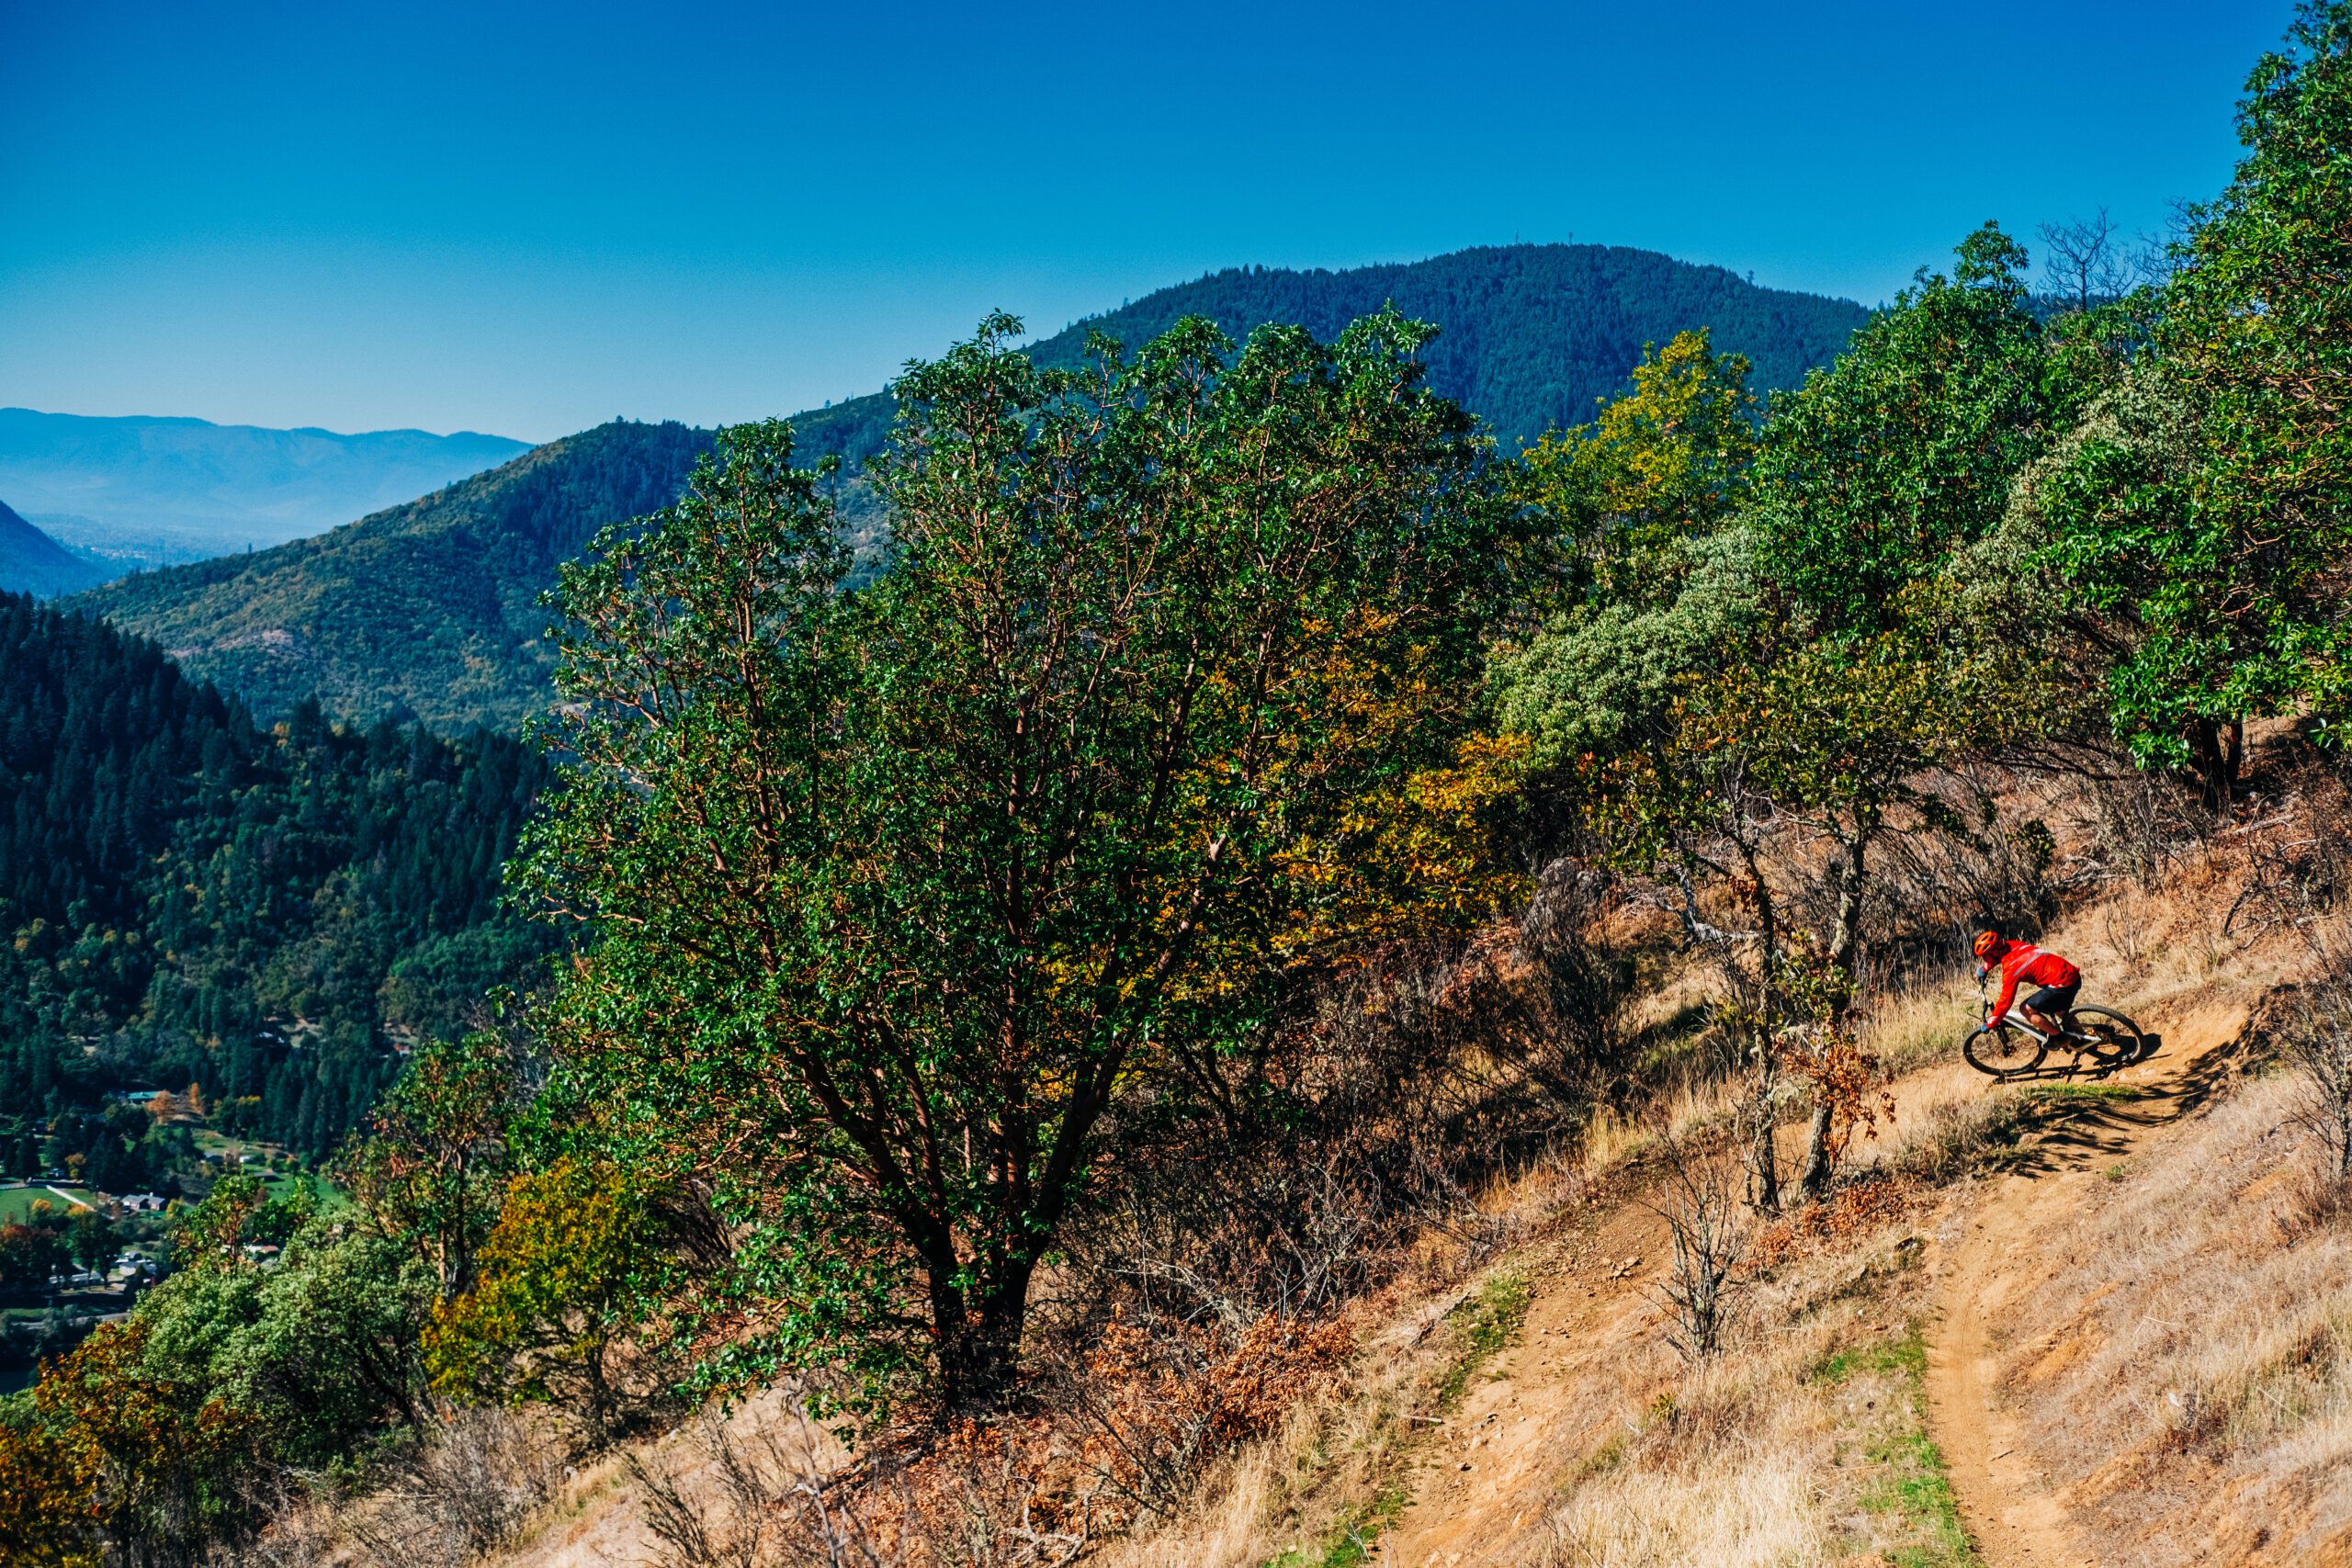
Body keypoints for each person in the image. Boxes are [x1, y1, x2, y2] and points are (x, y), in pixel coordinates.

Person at [1973, 928, 2081, 1040]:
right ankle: (2083, 1039)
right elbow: (1997, 958)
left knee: (2026, 1009)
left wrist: (1992, 1022)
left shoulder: (2011, 967)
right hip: (2070, 974)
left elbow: (2005, 1000)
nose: (1985, 959)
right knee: (2061, 1012)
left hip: (2061, 984)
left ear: (1995, 952)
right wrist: (1985, 968)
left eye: (1986, 956)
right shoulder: (2012, 945)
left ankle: (2059, 1038)